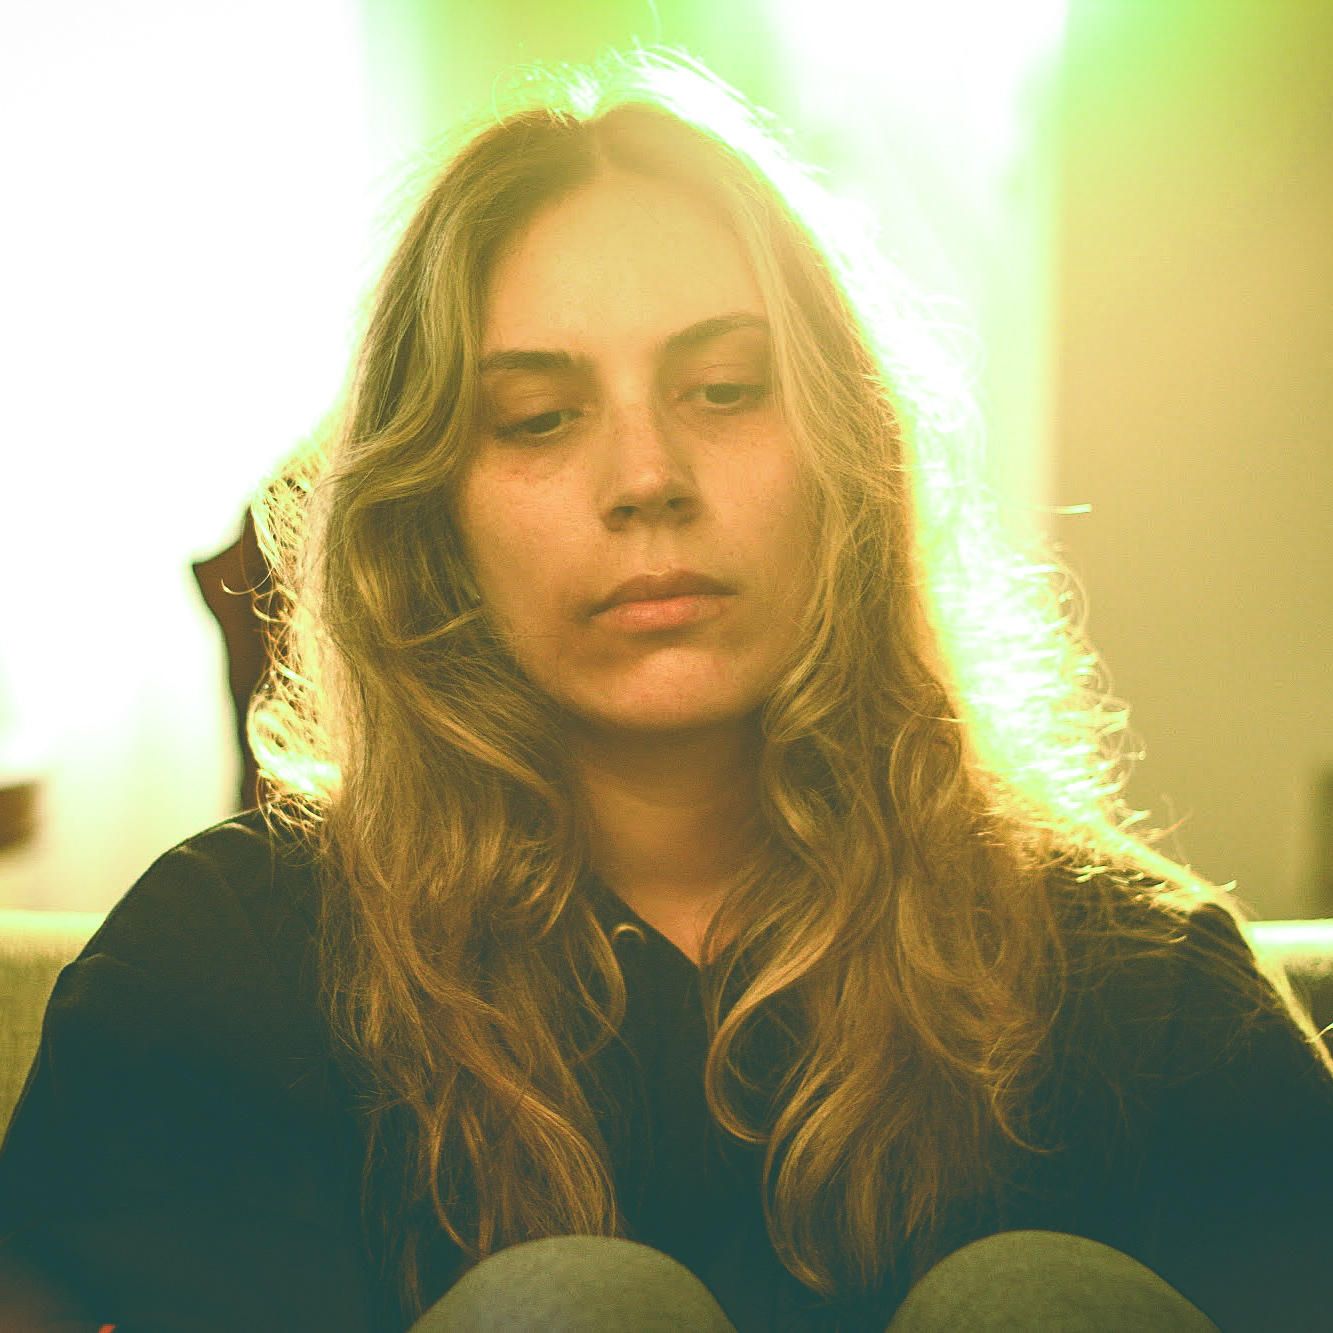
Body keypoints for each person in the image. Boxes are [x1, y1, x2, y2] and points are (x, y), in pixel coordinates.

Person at [2, 50, 1331, 1333]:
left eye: (725, 390)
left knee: (1035, 1304)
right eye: (537, 417)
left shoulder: (1142, 987)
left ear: (849, 453)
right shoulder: (226, 971)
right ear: (431, 512)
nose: (647, 477)